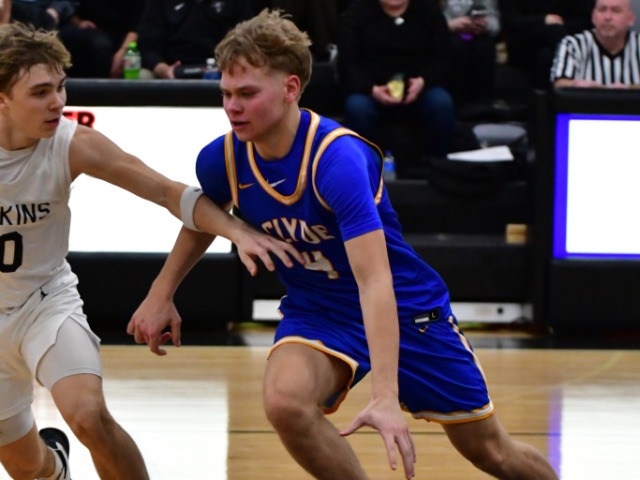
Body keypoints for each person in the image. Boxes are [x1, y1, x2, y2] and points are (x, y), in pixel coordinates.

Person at [128, 9, 559, 480]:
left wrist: (385, 396)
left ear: (291, 88)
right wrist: (160, 293)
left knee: (492, 452)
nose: (232, 107)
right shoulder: (223, 157)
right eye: (227, 94)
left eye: (247, 94)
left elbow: (375, 282)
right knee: (284, 401)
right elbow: (201, 218)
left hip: (403, 309)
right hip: (321, 310)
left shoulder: (337, 159)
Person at [0, 21, 302, 480]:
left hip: (45, 303)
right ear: (3, 99)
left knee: (88, 415)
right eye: (40, 93)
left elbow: (165, 191)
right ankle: (55, 465)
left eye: (60, 87)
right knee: (27, 469)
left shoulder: (72, 144)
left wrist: (237, 231)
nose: (58, 102)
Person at [336, 0, 457, 171]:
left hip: (420, 88)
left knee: (441, 103)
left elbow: (444, 57)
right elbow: (346, 63)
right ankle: (365, 170)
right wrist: (371, 88)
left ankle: (439, 167)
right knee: (357, 107)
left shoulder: (428, 10)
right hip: (372, 89)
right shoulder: (357, 11)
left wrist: (423, 81)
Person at [136, 0, 257, 79]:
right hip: (172, 68)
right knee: (142, 76)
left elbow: (248, 38)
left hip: (224, 68)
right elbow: (147, 46)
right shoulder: (160, 3)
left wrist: (233, 66)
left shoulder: (235, 3)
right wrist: (164, 69)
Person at [500, 0, 595, 89]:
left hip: (563, 36)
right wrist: (543, 20)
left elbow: (585, 19)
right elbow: (510, 20)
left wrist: (560, 23)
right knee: (554, 33)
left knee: (546, 56)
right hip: (524, 41)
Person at [551, 0, 640, 88]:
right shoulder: (572, 45)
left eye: (615, 11)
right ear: (593, 16)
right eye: (602, 10)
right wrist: (578, 86)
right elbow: (560, 84)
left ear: (630, 19)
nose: (607, 17)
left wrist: (626, 89)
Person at [441, 0, 501, 108]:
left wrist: (485, 25)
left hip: (476, 36)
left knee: (484, 47)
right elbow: (424, 25)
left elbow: (495, 24)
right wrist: (450, 25)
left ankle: (483, 107)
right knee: (456, 47)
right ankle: (454, 105)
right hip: (444, 34)